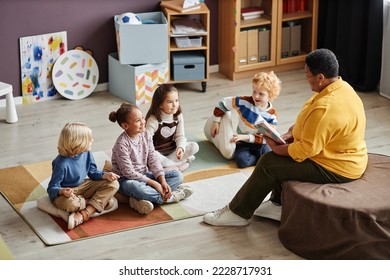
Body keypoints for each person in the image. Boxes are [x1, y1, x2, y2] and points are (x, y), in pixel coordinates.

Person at [203, 48, 368, 226]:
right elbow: (318, 127)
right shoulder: (343, 88)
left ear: (320, 77)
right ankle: (277, 204)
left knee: (268, 162)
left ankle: (238, 214)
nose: (306, 79)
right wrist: (291, 133)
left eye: (307, 76)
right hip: (341, 154)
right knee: (276, 159)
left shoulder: (326, 107)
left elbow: (304, 151)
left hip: (336, 167)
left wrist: (276, 147)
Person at [109, 102, 193, 215]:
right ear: (125, 126)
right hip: (126, 180)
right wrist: (155, 184)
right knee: (135, 186)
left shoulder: (146, 135)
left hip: (145, 174)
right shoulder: (121, 144)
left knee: (177, 175)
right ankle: (171, 197)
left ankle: (141, 199)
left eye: (143, 118)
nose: (143, 122)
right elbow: (128, 173)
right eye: (137, 121)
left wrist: (162, 181)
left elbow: (153, 159)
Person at [47, 122, 120, 230]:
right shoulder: (61, 163)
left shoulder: (87, 153)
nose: (92, 140)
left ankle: (85, 213)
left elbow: (93, 173)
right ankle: (96, 203)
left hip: (83, 185)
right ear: (78, 142)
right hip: (67, 194)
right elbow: (51, 188)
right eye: (89, 139)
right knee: (70, 204)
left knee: (113, 184)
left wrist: (105, 176)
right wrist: (62, 191)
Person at [204, 71, 282, 168]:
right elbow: (224, 103)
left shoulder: (272, 115)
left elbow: (268, 138)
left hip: (259, 143)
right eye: (254, 91)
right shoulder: (244, 102)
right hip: (242, 143)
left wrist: (247, 137)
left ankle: (261, 159)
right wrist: (216, 120)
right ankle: (261, 160)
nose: (256, 96)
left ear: (270, 96)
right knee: (242, 161)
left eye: (261, 94)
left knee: (269, 154)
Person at [145, 84, 199, 171]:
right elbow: (147, 143)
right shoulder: (153, 120)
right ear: (160, 105)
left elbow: (180, 136)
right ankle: (179, 164)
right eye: (170, 102)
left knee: (194, 146)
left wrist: (180, 148)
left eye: (176, 100)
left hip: (171, 149)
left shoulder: (178, 116)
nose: (175, 105)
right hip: (157, 152)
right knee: (153, 155)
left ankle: (168, 166)